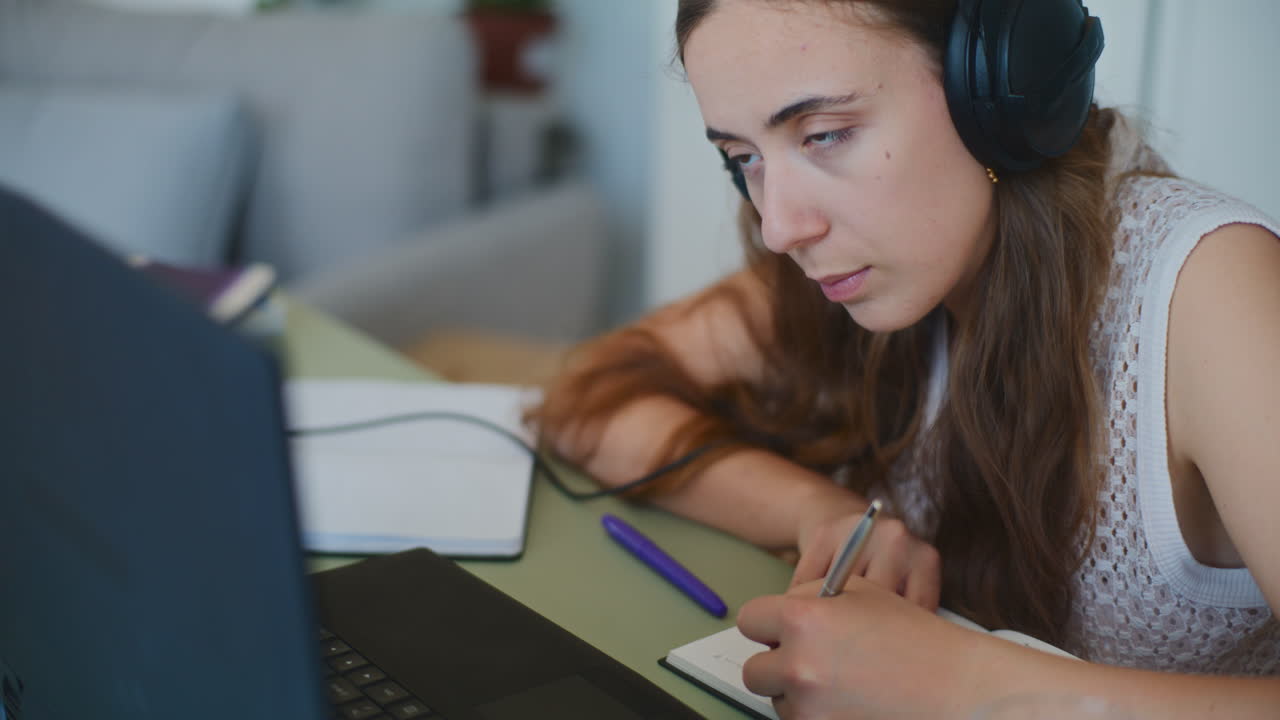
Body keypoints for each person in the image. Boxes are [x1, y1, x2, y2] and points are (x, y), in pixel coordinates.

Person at [528, 0, 1280, 716]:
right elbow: (591, 399)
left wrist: (966, 688)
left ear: (997, 90)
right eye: (744, 157)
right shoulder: (853, 270)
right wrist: (816, 510)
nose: (780, 227)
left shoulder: (1208, 293)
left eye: (825, 134)